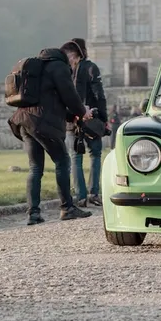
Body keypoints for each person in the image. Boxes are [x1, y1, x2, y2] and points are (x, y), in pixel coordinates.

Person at [8, 47, 94, 225]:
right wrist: (81, 111)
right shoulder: (58, 67)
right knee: (62, 161)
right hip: (43, 123)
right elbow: (68, 95)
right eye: (72, 59)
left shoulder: (37, 68)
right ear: (67, 57)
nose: (73, 63)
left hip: (24, 120)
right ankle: (67, 208)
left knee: (35, 168)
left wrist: (74, 115)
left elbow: (53, 103)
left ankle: (33, 213)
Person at [62, 38, 108, 207]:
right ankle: (94, 193)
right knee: (95, 155)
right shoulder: (91, 68)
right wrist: (104, 119)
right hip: (91, 120)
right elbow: (99, 96)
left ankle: (80, 196)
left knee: (76, 158)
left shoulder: (64, 71)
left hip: (71, 121)